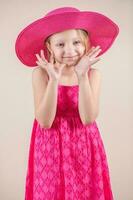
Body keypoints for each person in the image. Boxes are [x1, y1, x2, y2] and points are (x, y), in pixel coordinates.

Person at [15, 6, 119, 200]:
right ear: (49, 47)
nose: (70, 50)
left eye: (76, 42)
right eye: (60, 44)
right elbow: (45, 121)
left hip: (84, 146)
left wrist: (82, 77)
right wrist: (54, 80)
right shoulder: (41, 74)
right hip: (49, 146)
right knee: (50, 192)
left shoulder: (93, 75)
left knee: (85, 192)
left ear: (86, 44)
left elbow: (88, 118)